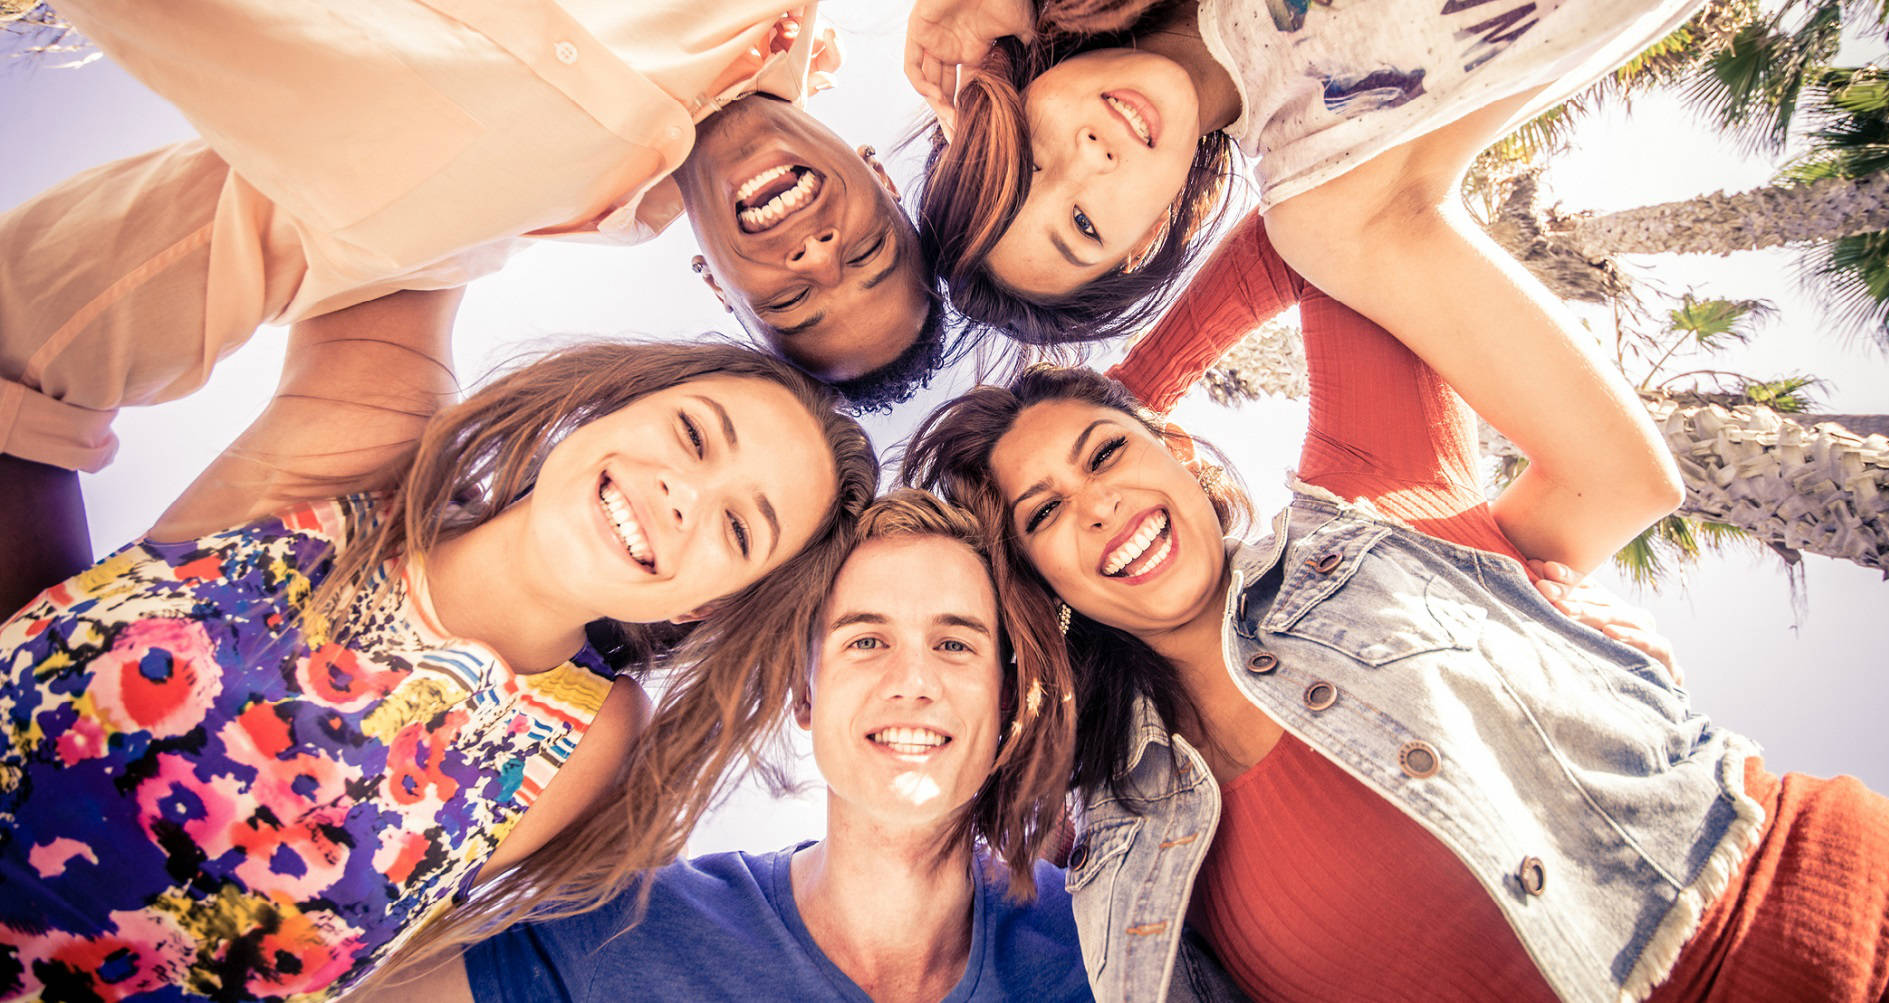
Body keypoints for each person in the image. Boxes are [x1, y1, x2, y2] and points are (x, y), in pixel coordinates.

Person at [898, 238, 1889, 1001]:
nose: (1096, 505)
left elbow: (1311, 228)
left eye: (1107, 456)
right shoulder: (1112, 832)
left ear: (1184, 452)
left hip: (1826, 923)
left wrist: (1121, 390)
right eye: (1043, 515)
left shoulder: (1371, 504)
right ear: (1043, 583)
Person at [0, 287, 880, 1001]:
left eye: (737, 528)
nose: (685, 495)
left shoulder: (590, 742)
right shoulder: (373, 447)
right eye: (691, 433)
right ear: (608, 406)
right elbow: (420, 156)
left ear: (703, 607)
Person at [0, 0, 940, 614]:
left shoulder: (437, 234)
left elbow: (41, 338)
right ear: (884, 186)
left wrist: (47, 667)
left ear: (720, 293)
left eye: (794, 299)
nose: (818, 252)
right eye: (867, 252)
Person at [358, 490, 1092, 1003]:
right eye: (866, 639)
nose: (912, 680)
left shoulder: (1105, 933)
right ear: (804, 697)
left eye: (955, 642)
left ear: (1005, 698)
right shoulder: (622, 930)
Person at [902, 0, 1697, 352]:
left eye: (1034, 153)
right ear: (1143, 243)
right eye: (1081, 224)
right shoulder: (1327, 197)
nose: (1091, 157)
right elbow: (1616, 481)